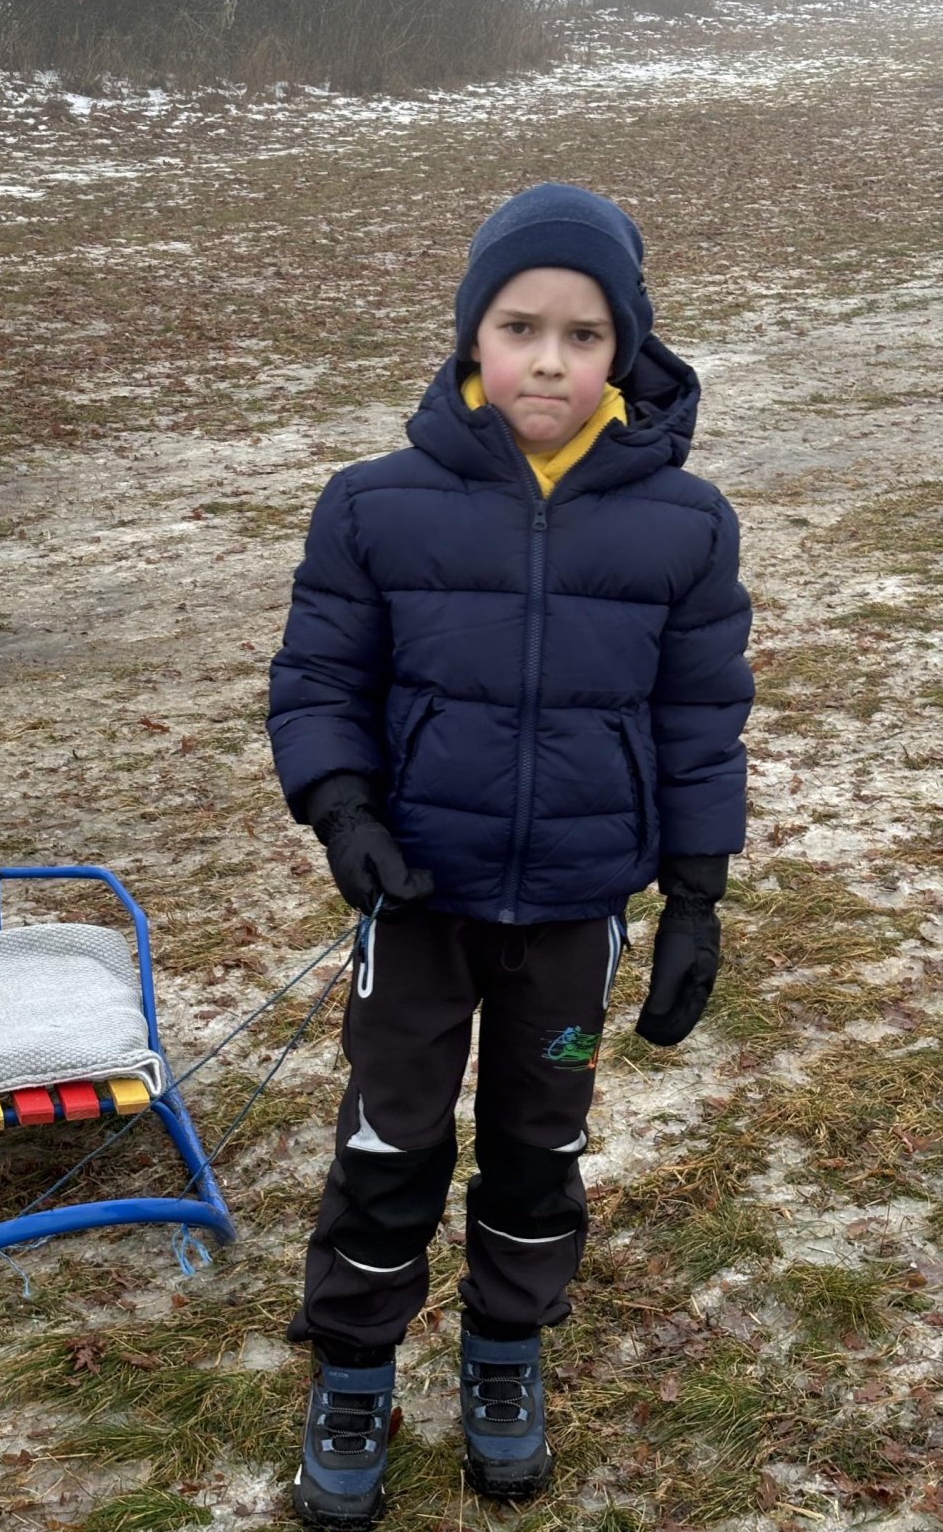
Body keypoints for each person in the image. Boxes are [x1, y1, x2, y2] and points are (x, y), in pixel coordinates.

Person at [267, 182, 753, 1528]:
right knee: (390, 1139)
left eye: (584, 335)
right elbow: (320, 680)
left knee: (541, 1142)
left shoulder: (686, 525)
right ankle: (355, 1365)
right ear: (471, 336)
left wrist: (697, 895)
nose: (549, 361)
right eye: (519, 326)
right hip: (419, 900)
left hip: (576, 913)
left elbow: (702, 720)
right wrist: (344, 810)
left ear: (626, 351)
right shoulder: (374, 507)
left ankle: (504, 1347)